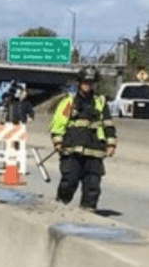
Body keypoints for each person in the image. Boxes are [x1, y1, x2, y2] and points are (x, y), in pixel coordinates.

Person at [49, 66, 117, 212]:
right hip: (71, 149)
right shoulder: (69, 101)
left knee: (92, 186)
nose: (88, 84)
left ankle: (88, 213)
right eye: (85, 81)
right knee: (69, 181)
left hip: (94, 150)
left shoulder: (100, 102)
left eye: (91, 82)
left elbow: (108, 124)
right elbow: (58, 123)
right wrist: (57, 141)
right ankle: (60, 207)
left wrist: (111, 143)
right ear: (79, 82)